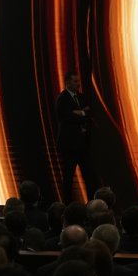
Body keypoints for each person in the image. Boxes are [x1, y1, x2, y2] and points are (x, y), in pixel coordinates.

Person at [56, 71, 99, 202]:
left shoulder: (81, 97)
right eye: (75, 81)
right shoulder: (62, 98)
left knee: (89, 175)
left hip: (82, 144)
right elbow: (66, 117)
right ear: (67, 82)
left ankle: (91, 203)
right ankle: (67, 205)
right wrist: (80, 113)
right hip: (69, 145)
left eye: (78, 81)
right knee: (68, 177)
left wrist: (78, 113)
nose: (78, 84)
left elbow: (88, 113)